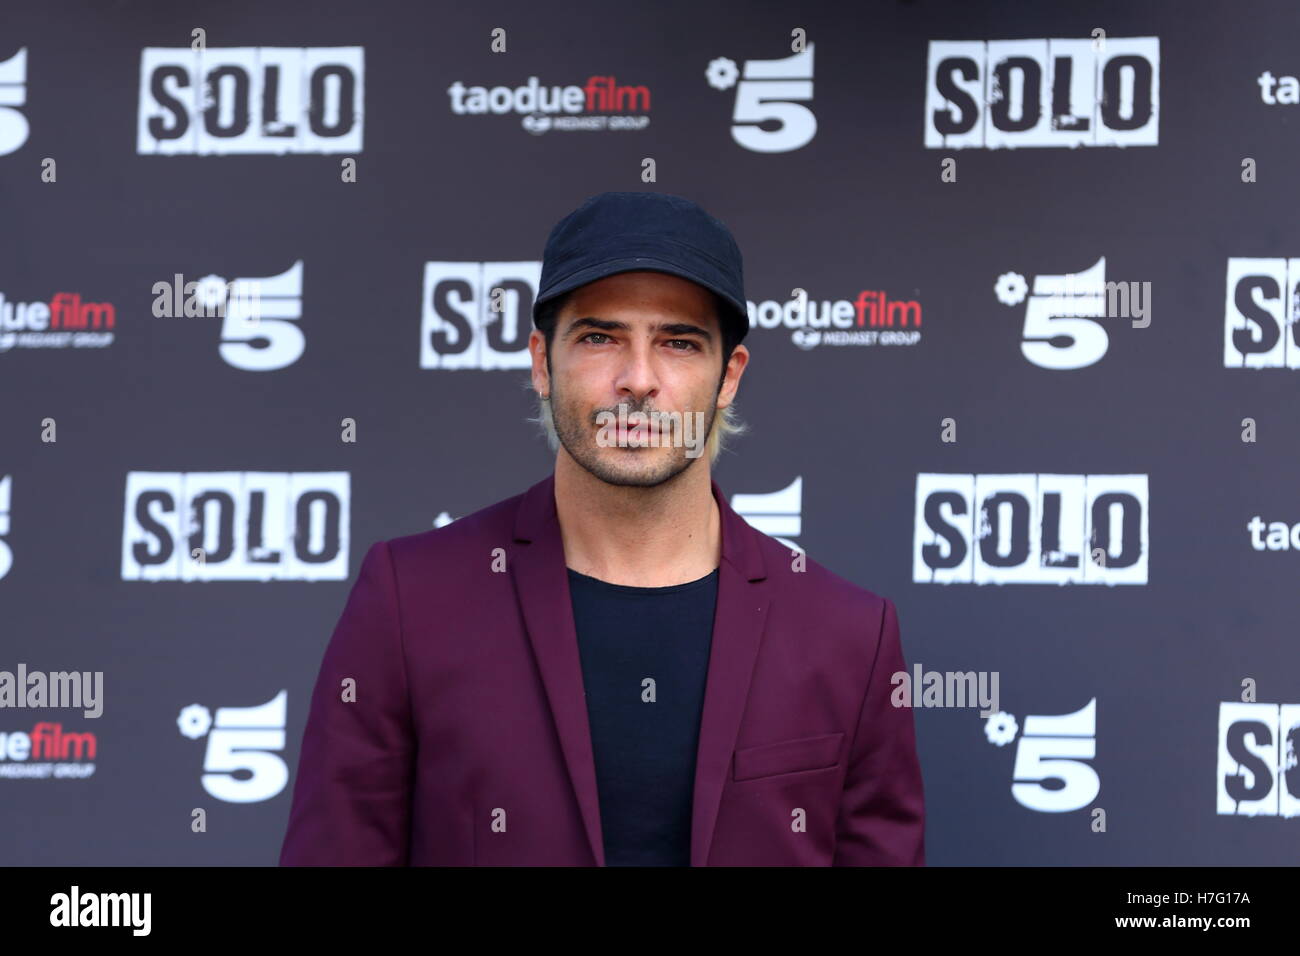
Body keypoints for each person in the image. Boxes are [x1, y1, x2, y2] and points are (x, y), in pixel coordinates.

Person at [279, 191, 925, 866]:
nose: (638, 379)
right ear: (540, 362)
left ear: (728, 376)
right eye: (599, 337)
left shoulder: (849, 635)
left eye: (678, 341)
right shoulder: (411, 601)